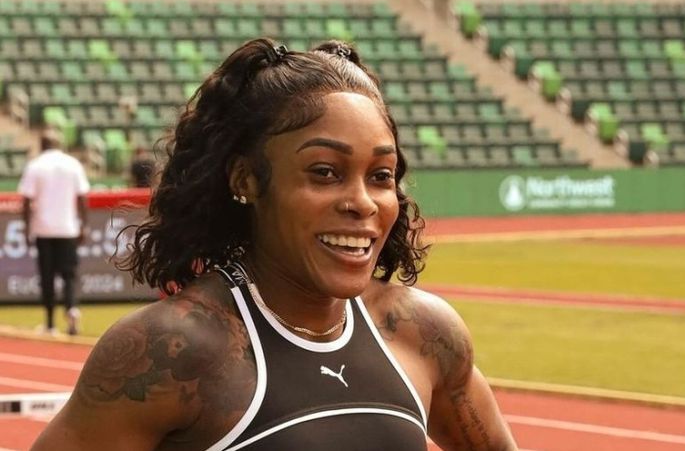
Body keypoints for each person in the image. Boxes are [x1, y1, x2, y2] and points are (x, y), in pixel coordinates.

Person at [31, 39, 517, 450]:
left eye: (381, 175)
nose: (362, 202)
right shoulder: (173, 351)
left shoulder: (423, 333)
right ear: (246, 180)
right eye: (324, 172)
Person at [18, 129, 89, 336]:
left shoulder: (35, 165)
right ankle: (72, 309)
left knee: (47, 276)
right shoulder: (73, 164)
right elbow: (82, 198)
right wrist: (83, 225)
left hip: (43, 228)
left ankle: (50, 325)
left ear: (41, 144)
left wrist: (26, 228)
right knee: (69, 275)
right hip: (68, 228)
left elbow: (26, 200)